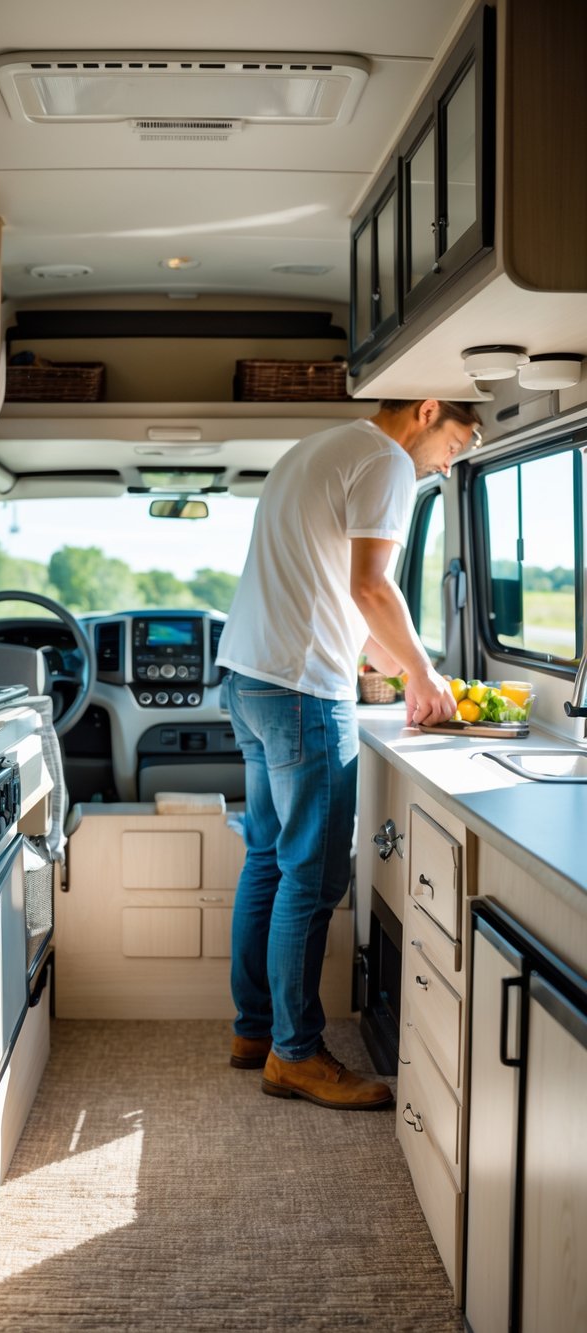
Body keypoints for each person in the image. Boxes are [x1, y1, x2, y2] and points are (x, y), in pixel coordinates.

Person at [216, 398, 482, 1110]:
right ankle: (295, 1054)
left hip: (248, 680)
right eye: (455, 440)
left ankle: (256, 1031)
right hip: (301, 693)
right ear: (427, 410)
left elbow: (339, 595)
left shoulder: (316, 448)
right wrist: (423, 675)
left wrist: (404, 673)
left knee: (269, 858)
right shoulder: (390, 461)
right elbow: (371, 585)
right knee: (312, 875)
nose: (448, 461)